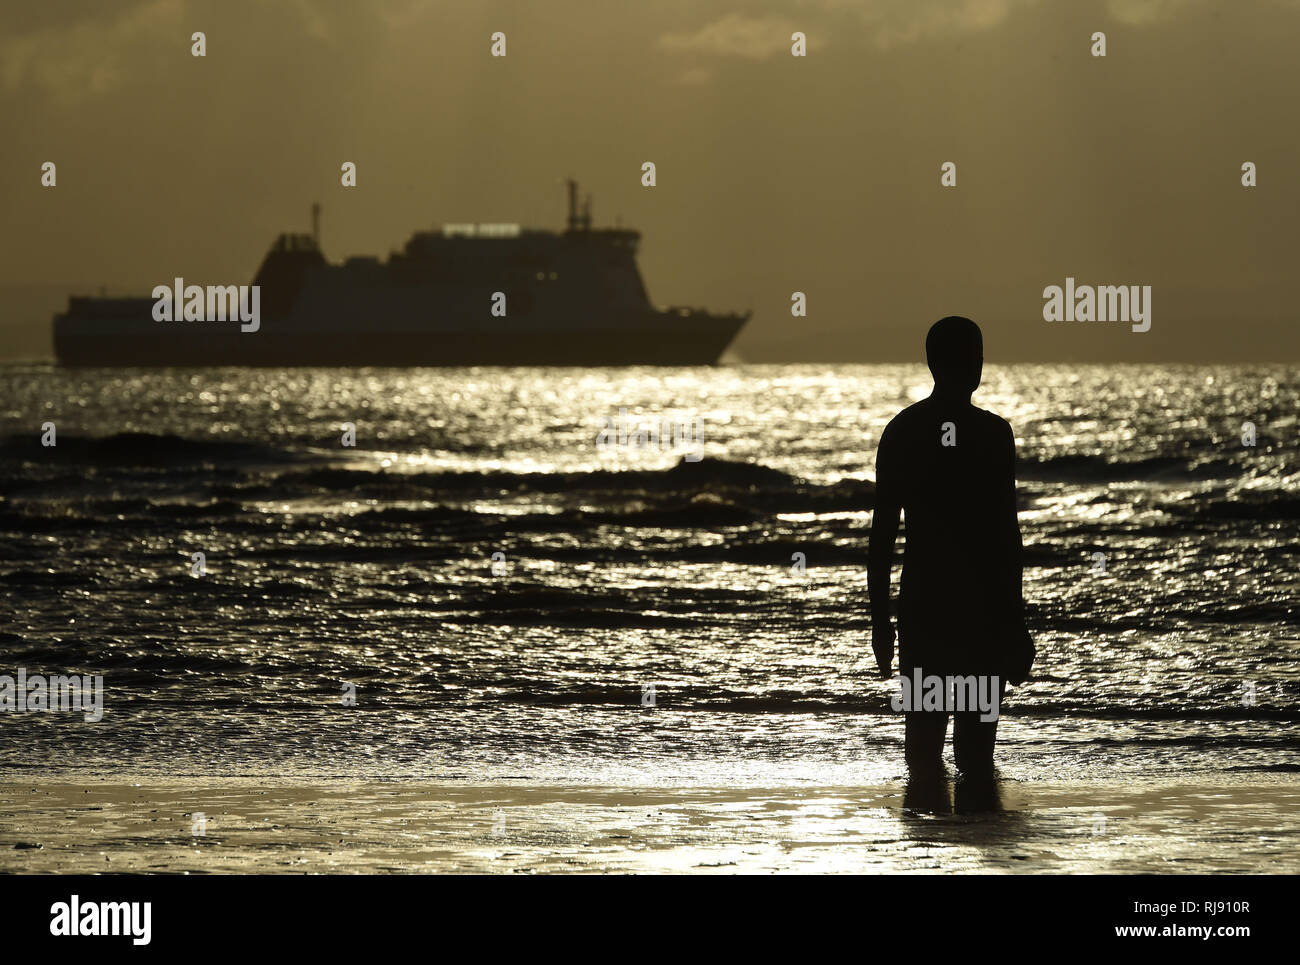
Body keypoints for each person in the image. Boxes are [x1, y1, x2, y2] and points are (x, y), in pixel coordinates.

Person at [867, 316, 1033, 780]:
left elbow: (882, 539)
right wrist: (1013, 622)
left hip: (924, 607)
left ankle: (928, 843)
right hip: (980, 611)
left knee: (923, 750)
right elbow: (1007, 538)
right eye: (974, 355)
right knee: (975, 755)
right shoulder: (993, 434)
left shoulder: (902, 431)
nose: (979, 363)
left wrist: (881, 622)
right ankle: (971, 826)